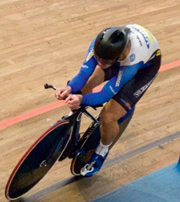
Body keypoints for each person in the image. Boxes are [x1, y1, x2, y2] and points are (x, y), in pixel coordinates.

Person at [55, 24, 161, 177]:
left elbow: (105, 95)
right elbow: (83, 74)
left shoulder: (132, 59)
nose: (100, 63)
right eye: (98, 58)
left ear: (118, 56)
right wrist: (70, 89)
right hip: (117, 57)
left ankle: (101, 151)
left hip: (143, 68)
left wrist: (82, 98)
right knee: (87, 82)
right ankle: (75, 120)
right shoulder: (100, 44)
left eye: (105, 61)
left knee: (109, 116)